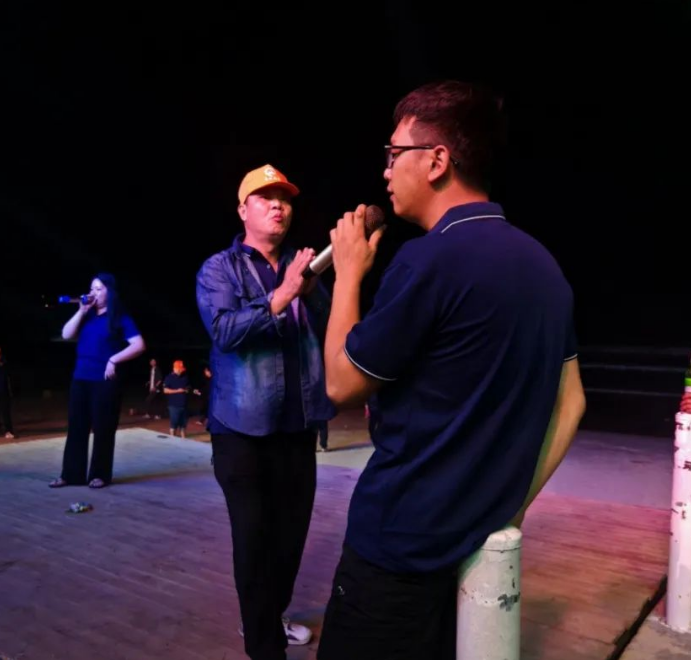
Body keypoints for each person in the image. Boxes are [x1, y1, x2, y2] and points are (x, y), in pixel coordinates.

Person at [316, 80, 587, 659]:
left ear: (437, 160)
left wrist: (348, 274)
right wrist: (511, 505)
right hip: (472, 544)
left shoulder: (428, 259)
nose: (386, 170)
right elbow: (572, 403)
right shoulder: (544, 267)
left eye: (395, 153)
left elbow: (340, 382)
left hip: (397, 546)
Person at [196, 164, 336, 660]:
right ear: (243, 210)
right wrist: (282, 295)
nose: (279, 205)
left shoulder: (303, 268)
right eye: (265, 197)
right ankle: (263, 646)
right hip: (241, 430)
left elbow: (332, 328)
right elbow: (225, 331)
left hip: (298, 428)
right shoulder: (219, 269)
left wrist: (310, 292)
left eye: (285, 198)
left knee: (290, 540)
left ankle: (267, 618)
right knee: (254, 541)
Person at [49, 273, 145, 489]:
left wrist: (114, 359)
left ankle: (99, 475)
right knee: (76, 428)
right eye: (92, 288)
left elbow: (139, 345)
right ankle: (71, 475)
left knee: (103, 428)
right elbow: (66, 334)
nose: (94, 293)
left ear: (110, 293)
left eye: (99, 289)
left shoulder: (119, 317)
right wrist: (81, 311)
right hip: (81, 378)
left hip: (104, 381)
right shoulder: (87, 314)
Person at [163, 359, 190, 438]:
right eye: (180, 369)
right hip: (174, 405)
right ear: (175, 368)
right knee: (174, 424)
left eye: (182, 369)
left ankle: (184, 440)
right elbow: (165, 390)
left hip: (184, 405)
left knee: (183, 425)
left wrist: (187, 390)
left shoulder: (184, 377)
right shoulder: (169, 377)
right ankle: (172, 440)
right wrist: (177, 391)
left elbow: (188, 387)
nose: (181, 371)